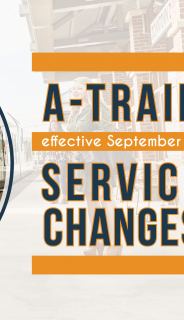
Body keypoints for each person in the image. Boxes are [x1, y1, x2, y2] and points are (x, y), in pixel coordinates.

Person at [66, 77, 128, 256]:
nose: (75, 91)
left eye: (79, 88)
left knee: (105, 199)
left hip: (99, 160)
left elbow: (108, 130)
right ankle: (97, 244)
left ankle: (116, 244)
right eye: (73, 89)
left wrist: (87, 138)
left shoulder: (98, 108)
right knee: (91, 203)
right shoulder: (77, 111)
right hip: (84, 163)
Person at [47, 120, 68, 204]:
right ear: (50, 127)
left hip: (62, 159)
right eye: (52, 125)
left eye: (55, 125)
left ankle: (64, 198)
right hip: (53, 161)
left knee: (62, 179)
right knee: (55, 180)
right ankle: (55, 198)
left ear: (58, 125)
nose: (53, 126)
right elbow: (47, 150)